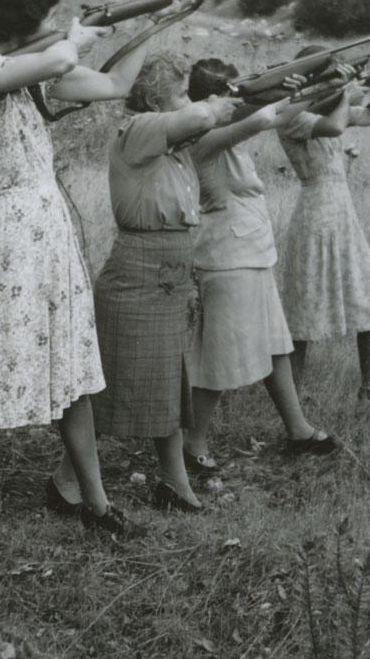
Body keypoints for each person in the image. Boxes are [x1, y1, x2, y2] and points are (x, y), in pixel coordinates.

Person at [0, 0, 197, 550]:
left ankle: (95, 501)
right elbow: (61, 61)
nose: (49, 25)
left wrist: (154, 26)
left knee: (73, 371)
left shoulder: (27, 73)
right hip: (12, 235)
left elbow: (111, 87)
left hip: (48, 230)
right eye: (42, 16)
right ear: (23, 20)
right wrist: (77, 36)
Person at [55, 52, 239, 514]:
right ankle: (64, 482)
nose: (188, 101)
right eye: (179, 92)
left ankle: (173, 484)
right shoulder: (139, 131)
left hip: (167, 272)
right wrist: (217, 102)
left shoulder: (170, 142)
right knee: (111, 384)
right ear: (157, 97)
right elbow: (201, 113)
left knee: (167, 383)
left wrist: (264, 98)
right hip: (138, 273)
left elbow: (238, 122)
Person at [180, 58, 340, 476]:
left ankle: (297, 429)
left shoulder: (220, 130)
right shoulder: (202, 133)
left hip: (249, 250)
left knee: (275, 345)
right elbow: (261, 118)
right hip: (228, 255)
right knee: (219, 359)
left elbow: (273, 114)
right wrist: (287, 91)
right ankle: (190, 444)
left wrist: (311, 88)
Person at [276, 47, 370, 401]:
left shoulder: (329, 106)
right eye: (331, 75)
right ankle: (292, 399)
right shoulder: (291, 115)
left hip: (342, 212)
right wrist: (346, 92)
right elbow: (334, 126)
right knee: (303, 311)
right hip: (316, 213)